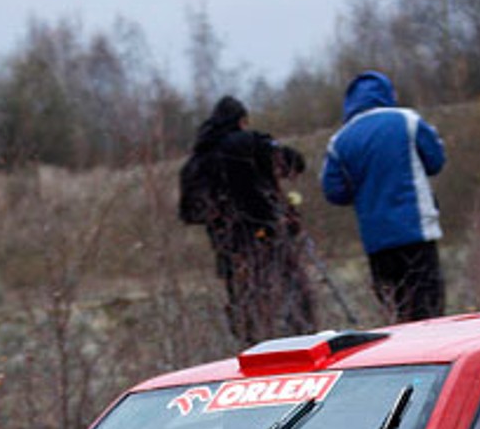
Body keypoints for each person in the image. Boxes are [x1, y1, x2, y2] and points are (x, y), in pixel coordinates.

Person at [178, 95, 316, 345]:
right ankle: (305, 341)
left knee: (247, 307)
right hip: (270, 236)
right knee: (295, 296)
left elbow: (189, 211)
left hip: (229, 247)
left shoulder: (197, 161)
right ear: (242, 121)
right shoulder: (250, 142)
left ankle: (254, 347)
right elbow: (294, 162)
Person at [320, 71, 446, 324]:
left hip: (376, 241)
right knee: (429, 312)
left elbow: (333, 191)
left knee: (397, 314)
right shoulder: (408, 120)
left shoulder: (340, 140)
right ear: (387, 94)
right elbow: (436, 161)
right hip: (417, 231)